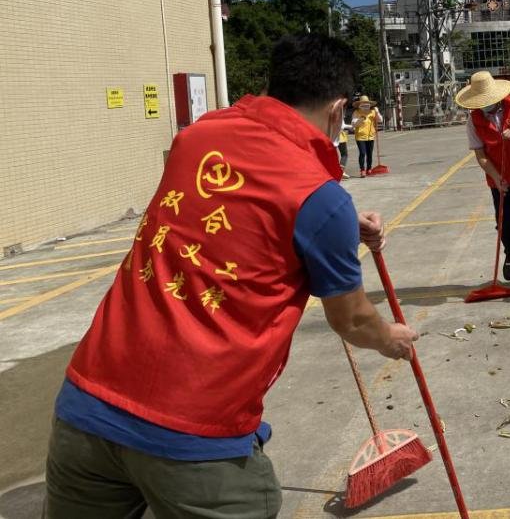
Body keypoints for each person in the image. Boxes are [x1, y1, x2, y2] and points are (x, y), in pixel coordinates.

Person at [44, 34, 418, 518]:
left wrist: (338, 224)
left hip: (85, 407)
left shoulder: (195, 137)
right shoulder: (319, 199)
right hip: (192, 433)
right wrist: (389, 338)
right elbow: (352, 320)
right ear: (338, 108)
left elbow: (226, 214)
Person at [455, 71, 510, 296]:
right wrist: (496, 177)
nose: (485, 105)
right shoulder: (474, 120)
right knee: (506, 226)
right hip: (500, 184)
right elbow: (481, 155)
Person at [352, 95, 383, 178]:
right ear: (360, 105)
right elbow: (354, 125)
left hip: (370, 136)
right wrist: (360, 119)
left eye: (367, 104)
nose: (365, 106)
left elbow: (380, 120)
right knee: (362, 153)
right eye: (363, 104)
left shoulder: (372, 112)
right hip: (360, 136)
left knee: (369, 154)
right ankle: (362, 170)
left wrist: (377, 112)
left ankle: (369, 168)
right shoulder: (356, 112)